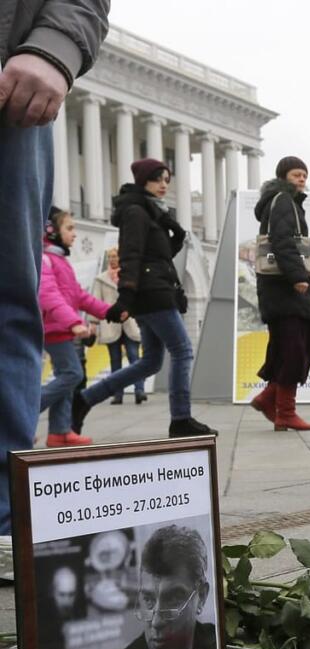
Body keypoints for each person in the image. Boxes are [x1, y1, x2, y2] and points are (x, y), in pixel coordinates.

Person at [0, 0, 110, 574]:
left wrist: (53, 48)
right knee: (65, 372)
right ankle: (63, 425)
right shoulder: (58, 260)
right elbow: (54, 294)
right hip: (65, 325)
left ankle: (1, 513)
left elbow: (42, 298)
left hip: (12, 83)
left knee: (7, 313)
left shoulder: (56, 259)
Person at [74, 158, 215, 438]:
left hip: (156, 289)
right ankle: (181, 418)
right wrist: (125, 297)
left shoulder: (151, 211)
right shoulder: (136, 211)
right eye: (158, 179)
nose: (164, 185)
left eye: (166, 180)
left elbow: (156, 255)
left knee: (150, 361)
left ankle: (84, 400)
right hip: (152, 293)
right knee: (182, 350)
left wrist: (173, 233)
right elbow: (132, 254)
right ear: (143, 180)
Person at [85, 524, 218, 649]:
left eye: (173, 599)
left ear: (202, 596)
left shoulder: (216, 646)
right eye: (148, 599)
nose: (156, 622)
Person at [248, 156, 310, 432]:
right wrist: (297, 277)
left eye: (304, 175)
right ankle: (285, 411)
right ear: (283, 176)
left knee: (302, 343)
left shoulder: (287, 201)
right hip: (284, 287)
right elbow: (282, 241)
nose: (302, 179)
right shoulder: (283, 199)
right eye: (296, 174)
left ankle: (270, 398)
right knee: (294, 347)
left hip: (284, 288)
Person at [38, 206, 115, 446]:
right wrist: (73, 323)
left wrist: (109, 311)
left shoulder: (60, 260)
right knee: (73, 373)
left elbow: (79, 296)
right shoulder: (46, 260)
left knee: (67, 376)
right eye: (69, 228)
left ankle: (59, 432)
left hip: (61, 328)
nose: (74, 233)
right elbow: (48, 296)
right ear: (51, 231)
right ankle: (22, 415)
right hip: (54, 329)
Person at [92, 246, 146, 405]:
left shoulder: (130, 277)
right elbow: (95, 302)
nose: (112, 259)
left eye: (115, 256)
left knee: (135, 359)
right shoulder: (101, 279)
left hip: (130, 323)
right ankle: (118, 394)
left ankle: (139, 390)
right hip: (111, 324)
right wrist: (93, 323)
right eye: (110, 257)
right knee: (115, 362)